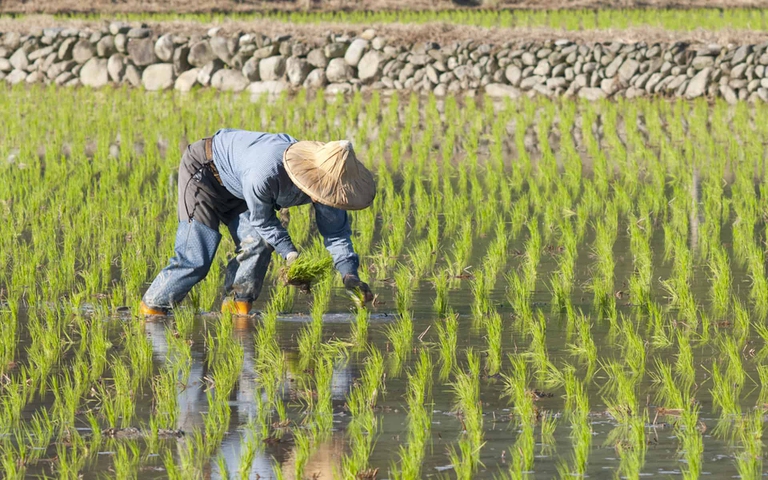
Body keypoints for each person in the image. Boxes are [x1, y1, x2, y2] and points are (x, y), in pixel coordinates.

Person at [139, 129, 375, 317]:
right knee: (196, 258)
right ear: (311, 174)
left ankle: (235, 310)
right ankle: (151, 311)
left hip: (241, 186)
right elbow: (262, 220)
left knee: (260, 243)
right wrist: (291, 255)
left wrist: (349, 275)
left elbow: (336, 234)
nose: (324, 196)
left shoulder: (331, 186)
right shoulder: (268, 171)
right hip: (206, 173)